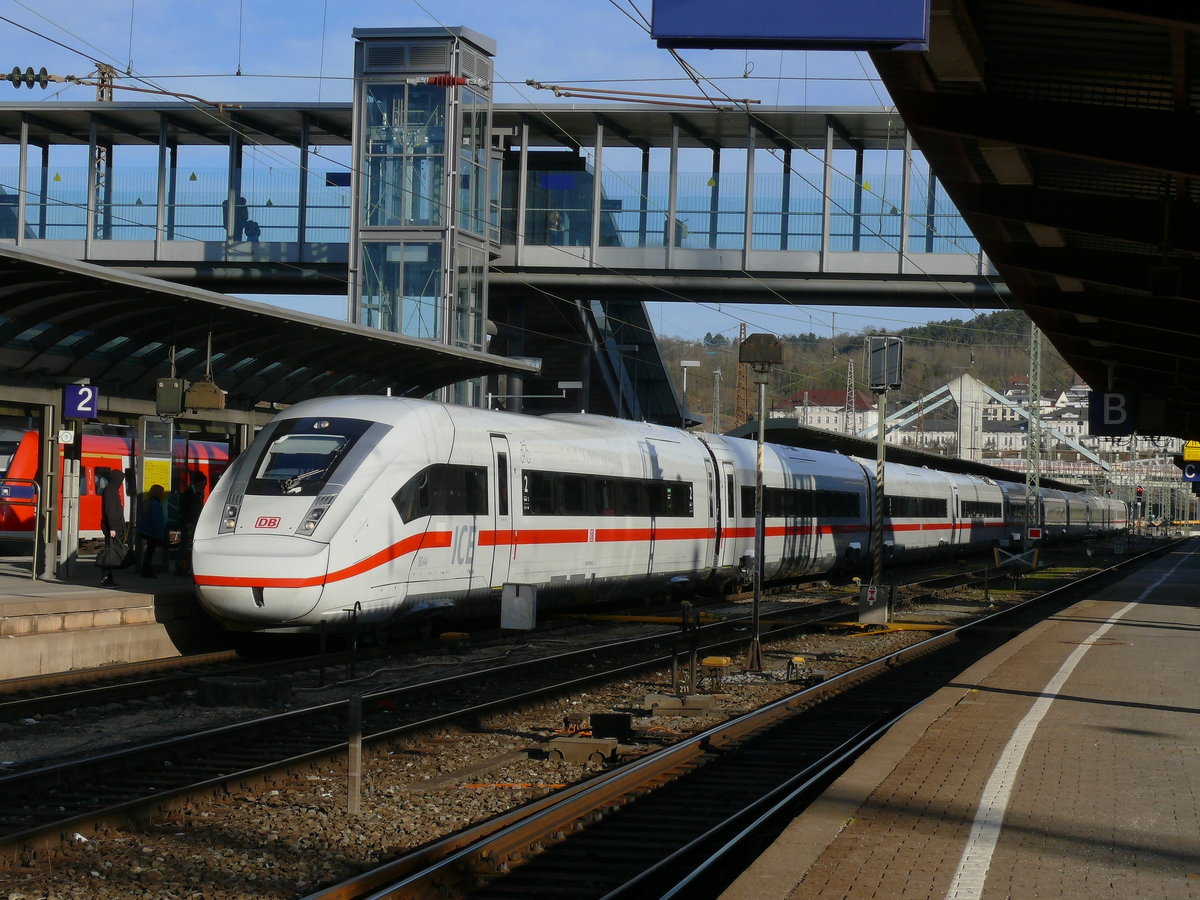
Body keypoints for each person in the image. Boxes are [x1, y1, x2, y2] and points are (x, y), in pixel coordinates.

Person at [176, 471, 207, 576]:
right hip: (188, 523)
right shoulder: (189, 493)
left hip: (194, 523)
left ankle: (185, 568)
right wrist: (188, 521)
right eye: (204, 482)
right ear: (199, 482)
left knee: (188, 547)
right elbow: (186, 508)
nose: (205, 485)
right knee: (185, 547)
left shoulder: (197, 493)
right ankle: (181, 569)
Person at [99, 468, 126, 587]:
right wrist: (113, 527)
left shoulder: (112, 489)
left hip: (113, 526)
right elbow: (110, 510)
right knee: (110, 552)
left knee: (111, 551)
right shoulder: (110, 491)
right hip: (112, 527)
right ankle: (106, 577)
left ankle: (107, 577)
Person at [137, 484, 167, 578]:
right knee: (150, 553)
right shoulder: (156, 504)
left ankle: (145, 570)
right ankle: (147, 571)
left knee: (148, 552)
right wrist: (160, 534)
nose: (162, 494)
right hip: (152, 532)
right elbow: (156, 520)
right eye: (161, 492)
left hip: (146, 531)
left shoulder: (147, 502)